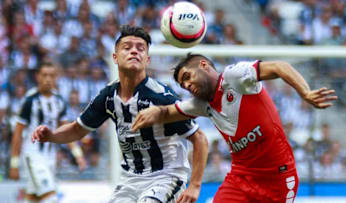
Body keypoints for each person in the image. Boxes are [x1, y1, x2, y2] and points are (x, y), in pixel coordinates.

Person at [32, 25, 208, 203]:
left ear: (147, 59)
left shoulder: (161, 97)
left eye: (140, 48)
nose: (134, 52)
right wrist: (52, 136)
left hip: (166, 176)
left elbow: (199, 138)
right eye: (127, 47)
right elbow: (78, 129)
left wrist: (194, 185)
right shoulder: (108, 96)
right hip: (130, 180)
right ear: (115, 57)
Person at [131, 53, 338, 202]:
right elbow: (170, 111)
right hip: (241, 179)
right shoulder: (202, 105)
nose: (187, 86)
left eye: (187, 77)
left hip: (278, 179)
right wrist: (154, 113)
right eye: (183, 86)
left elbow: (279, 66)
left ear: (203, 65)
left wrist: (305, 92)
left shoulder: (235, 77)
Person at [9, 62, 87, 203]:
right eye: (44, 75)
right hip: (32, 155)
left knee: (34, 198)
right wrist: (14, 163)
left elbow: (67, 131)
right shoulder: (29, 101)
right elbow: (17, 133)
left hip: (50, 157)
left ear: (56, 77)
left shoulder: (59, 101)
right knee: (51, 197)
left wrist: (78, 154)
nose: (48, 79)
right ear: (38, 77)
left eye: (51, 75)